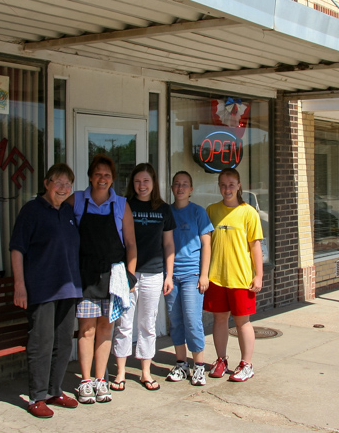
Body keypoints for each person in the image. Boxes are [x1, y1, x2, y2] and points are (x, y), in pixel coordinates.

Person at [10, 164, 82, 417]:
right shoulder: (31, 211)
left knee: (63, 343)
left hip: (69, 288)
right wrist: (19, 285)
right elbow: (17, 249)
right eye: (58, 182)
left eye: (68, 184)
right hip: (42, 289)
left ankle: (54, 390)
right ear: (46, 183)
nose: (63, 188)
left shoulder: (69, 212)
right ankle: (36, 397)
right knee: (42, 343)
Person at [74, 155, 137, 404]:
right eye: (98, 174)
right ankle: (86, 381)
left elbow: (131, 244)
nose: (103, 179)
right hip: (85, 276)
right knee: (87, 330)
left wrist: (130, 277)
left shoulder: (121, 204)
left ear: (113, 179)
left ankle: (101, 380)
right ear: (90, 176)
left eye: (107, 175)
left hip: (114, 278)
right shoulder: (77, 200)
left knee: (106, 329)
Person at [112, 163, 175, 391]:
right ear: (132, 183)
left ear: (153, 183)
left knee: (147, 324)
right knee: (124, 323)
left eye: (146, 181)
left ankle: (145, 373)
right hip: (127, 274)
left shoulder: (164, 209)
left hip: (154, 273)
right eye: (137, 181)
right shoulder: (124, 205)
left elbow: (168, 244)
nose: (142, 186)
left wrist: (169, 275)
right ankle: (119, 373)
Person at [204, 168, 263, 383]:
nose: (227, 189)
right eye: (223, 184)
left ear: (239, 185)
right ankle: (221, 360)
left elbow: (255, 246)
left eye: (231, 184)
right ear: (218, 186)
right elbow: (206, 243)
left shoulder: (249, 212)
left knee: (242, 323)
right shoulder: (211, 210)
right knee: (219, 320)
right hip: (217, 277)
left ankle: (246, 364)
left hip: (241, 278)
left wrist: (259, 276)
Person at [164, 171, 213, 386]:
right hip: (172, 276)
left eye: (185, 184)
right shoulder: (167, 212)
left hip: (193, 275)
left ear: (191, 189)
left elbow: (207, 245)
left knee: (193, 321)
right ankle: (181, 364)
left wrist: (204, 275)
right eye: (177, 184)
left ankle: (199, 367)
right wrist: (167, 275)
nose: (180, 188)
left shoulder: (198, 212)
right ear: (172, 188)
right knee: (176, 322)